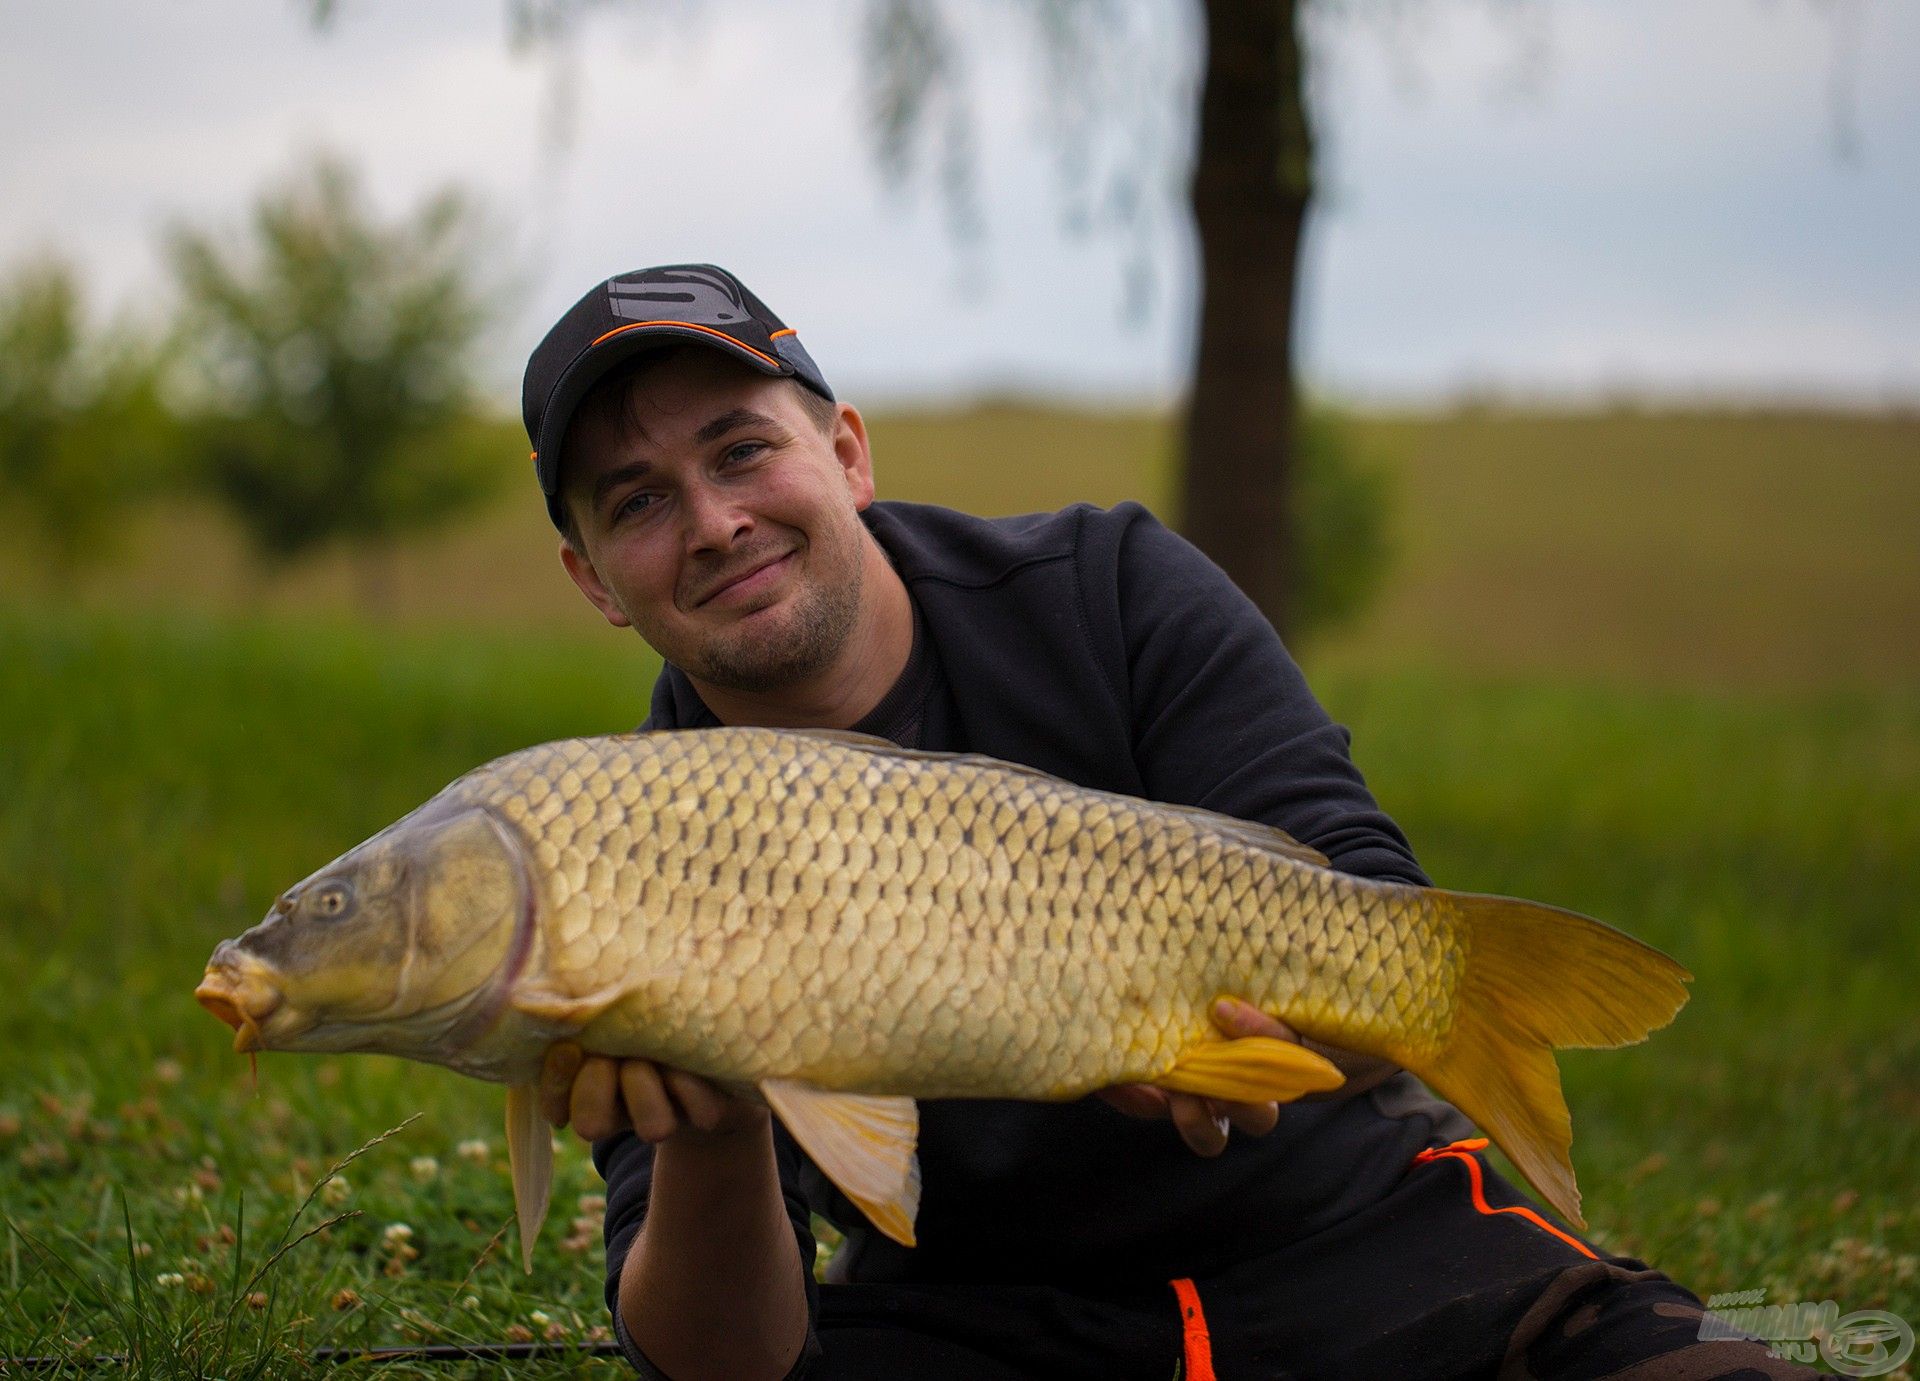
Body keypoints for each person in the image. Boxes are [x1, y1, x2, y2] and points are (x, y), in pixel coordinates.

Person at [519, 265, 1810, 1380]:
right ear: (591, 581)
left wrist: (1242, 1052)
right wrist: (724, 1121)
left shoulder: (1111, 587)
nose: (714, 520)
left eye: (742, 448)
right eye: (636, 500)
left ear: (848, 453)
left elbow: (1374, 901)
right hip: (982, 1311)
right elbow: (727, 1360)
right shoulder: (626, 845)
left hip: (1347, 1230)